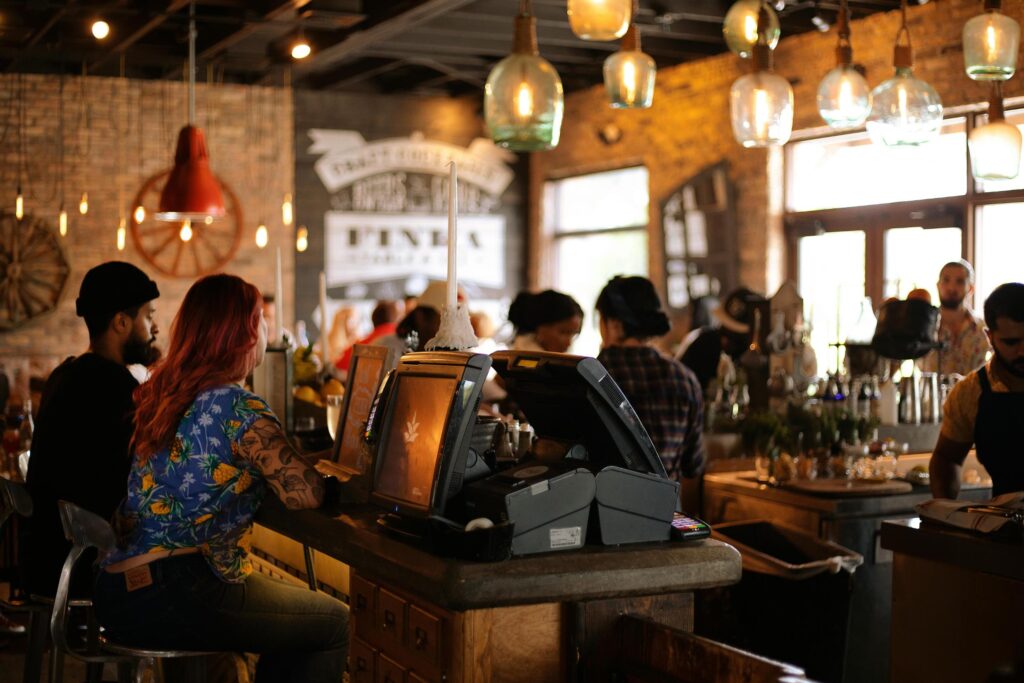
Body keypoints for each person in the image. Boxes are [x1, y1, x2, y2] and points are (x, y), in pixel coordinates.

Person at [93, 274, 348, 682]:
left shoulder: (163, 394)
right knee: (333, 623)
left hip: (118, 591)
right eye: (262, 320)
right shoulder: (240, 408)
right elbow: (306, 495)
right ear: (245, 334)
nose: (267, 329)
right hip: (179, 590)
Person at [24, 261, 160, 599]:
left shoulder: (65, 374)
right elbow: (143, 473)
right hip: (85, 565)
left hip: (45, 558)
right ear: (121, 322)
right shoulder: (114, 386)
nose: (154, 328)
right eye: (148, 316)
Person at [596, 276, 706, 481]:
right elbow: (694, 465)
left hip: (606, 508)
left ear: (614, 324)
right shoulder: (685, 379)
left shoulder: (596, 376)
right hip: (666, 509)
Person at [930, 282, 1024, 499]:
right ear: (989, 337)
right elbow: (947, 458)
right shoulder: (969, 393)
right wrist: (945, 512)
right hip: (1005, 521)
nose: (1022, 350)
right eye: (1011, 342)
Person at [678, 287, 766, 394]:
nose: (725, 339)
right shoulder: (703, 343)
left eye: (734, 334)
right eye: (724, 329)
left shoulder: (756, 353)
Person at [918, 260, 991, 377]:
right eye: (946, 280)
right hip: (931, 394)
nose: (951, 288)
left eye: (960, 282)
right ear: (938, 285)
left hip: (974, 394)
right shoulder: (923, 326)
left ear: (971, 288)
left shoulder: (983, 328)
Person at [507, 289, 584, 354]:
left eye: (573, 334)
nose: (569, 343)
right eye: (563, 332)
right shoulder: (514, 365)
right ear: (541, 327)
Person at [335, 300, 400, 371]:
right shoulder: (406, 340)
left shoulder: (359, 348)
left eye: (354, 320)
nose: (352, 324)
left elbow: (338, 367)